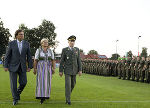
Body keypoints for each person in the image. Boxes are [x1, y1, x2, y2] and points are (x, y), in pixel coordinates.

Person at [4, 29, 33, 105]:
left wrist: (30, 66)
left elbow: (29, 56)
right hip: (12, 66)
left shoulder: (27, 44)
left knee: (24, 82)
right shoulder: (11, 43)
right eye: (20, 34)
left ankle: (17, 93)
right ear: (16, 35)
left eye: (23, 34)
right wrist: (5, 65)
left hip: (23, 66)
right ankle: (15, 99)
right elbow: (7, 55)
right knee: (13, 84)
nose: (22, 35)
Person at [59, 35, 82, 105]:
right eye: (71, 41)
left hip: (75, 70)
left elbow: (79, 60)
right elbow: (62, 61)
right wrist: (60, 70)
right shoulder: (65, 50)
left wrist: (80, 70)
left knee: (73, 84)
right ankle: (68, 100)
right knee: (68, 85)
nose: (72, 42)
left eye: (73, 41)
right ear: (68, 41)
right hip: (67, 70)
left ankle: (67, 95)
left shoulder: (77, 49)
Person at [33, 38, 55, 104]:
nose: (46, 43)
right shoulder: (38, 50)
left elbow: (53, 60)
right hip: (40, 67)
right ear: (41, 43)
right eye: (44, 42)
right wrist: (35, 69)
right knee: (41, 81)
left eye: (47, 42)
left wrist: (53, 68)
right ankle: (41, 96)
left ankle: (46, 95)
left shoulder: (50, 51)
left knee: (48, 81)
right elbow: (36, 60)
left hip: (48, 67)